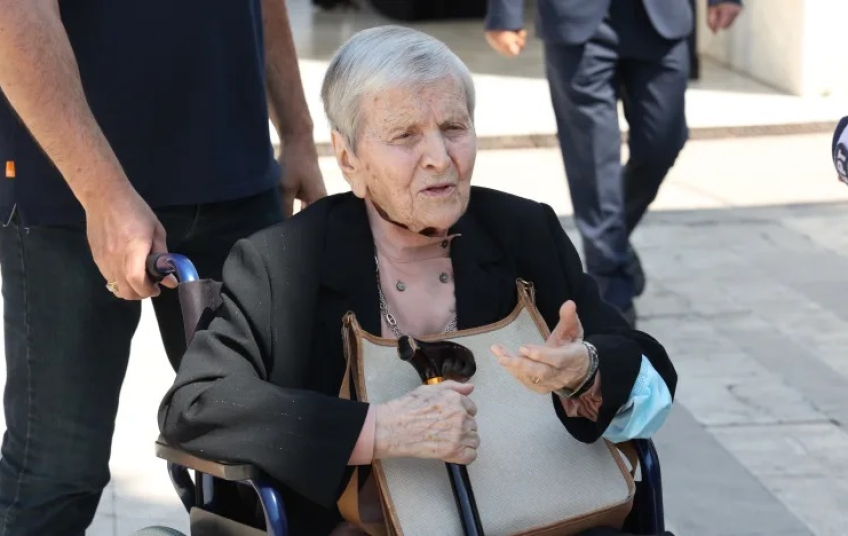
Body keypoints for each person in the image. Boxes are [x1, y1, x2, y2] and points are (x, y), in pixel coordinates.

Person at [159, 26, 676, 536]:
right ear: (349, 159)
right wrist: (379, 429)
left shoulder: (524, 231)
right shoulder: (282, 262)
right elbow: (197, 406)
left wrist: (589, 370)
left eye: (453, 127)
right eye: (405, 136)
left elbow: (648, 368)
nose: (439, 157)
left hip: (544, 521)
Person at [0, 0, 325, 533]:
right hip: (69, 198)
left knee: (276, 454)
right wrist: (104, 195)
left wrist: (297, 132)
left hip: (235, 174)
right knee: (56, 474)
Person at [484, 0, 743, 325]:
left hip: (660, 17)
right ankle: (611, 290)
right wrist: (504, 13)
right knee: (592, 161)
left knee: (663, 142)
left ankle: (611, 241)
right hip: (576, 19)